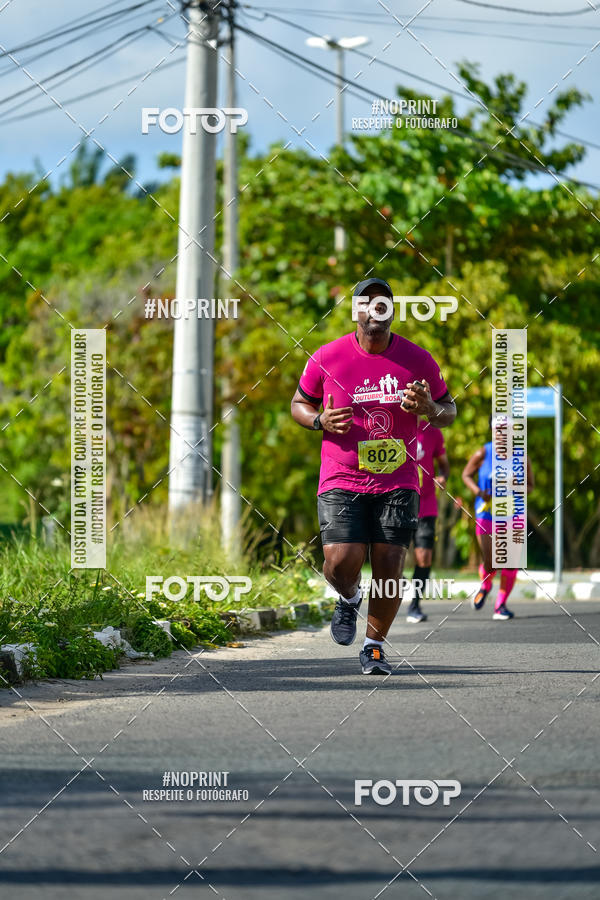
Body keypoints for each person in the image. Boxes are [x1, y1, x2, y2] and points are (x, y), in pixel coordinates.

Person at [290, 277, 456, 674]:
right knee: (341, 561)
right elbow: (299, 403)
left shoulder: (418, 360)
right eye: (366, 302)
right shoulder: (327, 357)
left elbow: (449, 410)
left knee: (390, 564)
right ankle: (348, 598)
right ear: (355, 311)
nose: (374, 309)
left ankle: (374, 646)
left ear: (392, 310)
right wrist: (318, 420)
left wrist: (430, 408)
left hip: (397, 481)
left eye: (382, 302)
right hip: (341, 477)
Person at [462, 416, 534, 620]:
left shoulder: (521, 455)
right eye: (498, 430)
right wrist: (478, 491)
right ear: (493, 433)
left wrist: (515, 486)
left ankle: (500, 605)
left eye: (506, 431)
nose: (502, 434)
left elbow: (530, 486)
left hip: (514, 513)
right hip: (487, 512)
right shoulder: (484, 452)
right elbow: (465, 475)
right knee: (491, 560)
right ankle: (485, 585)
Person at [405, 418, 450, 624]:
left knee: (424, 558)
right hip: (399, 503)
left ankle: (414, 605)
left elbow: (443, 465)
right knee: (389, 556)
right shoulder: (392, 424)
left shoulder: (432, 432)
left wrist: (442, 478)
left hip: (426, 504)